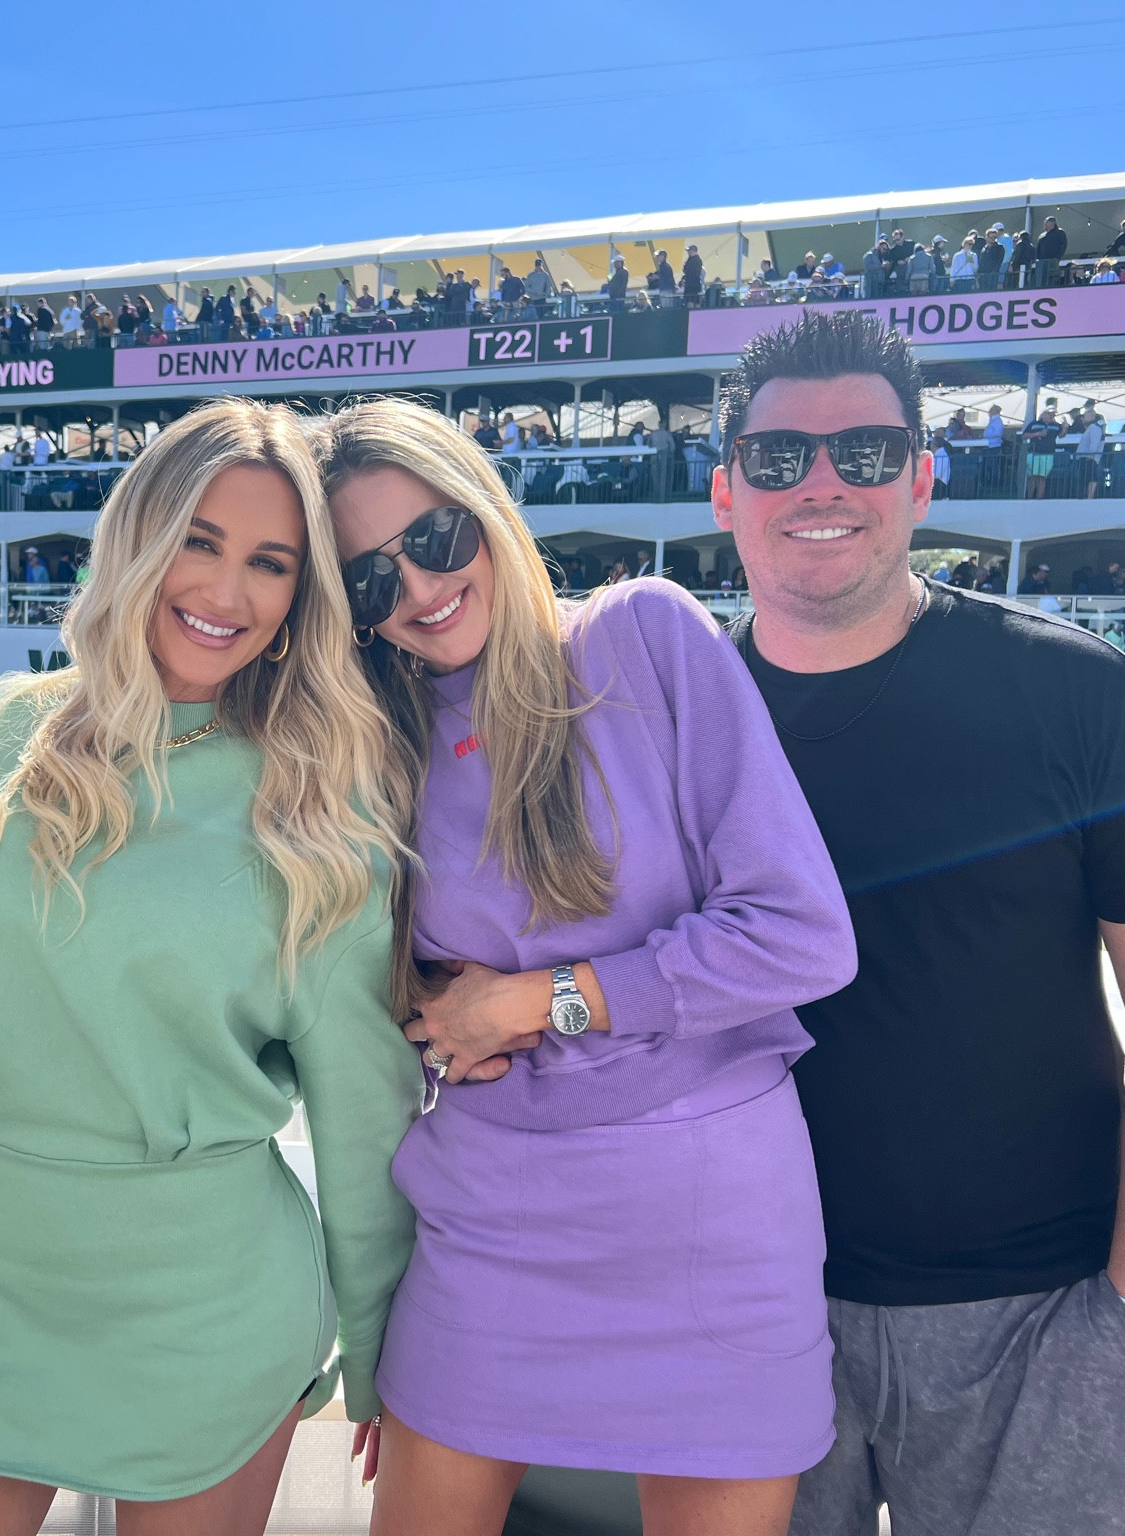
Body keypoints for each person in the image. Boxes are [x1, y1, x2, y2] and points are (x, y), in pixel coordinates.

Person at [709, 310, 1125, 1536]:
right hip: (741, 1315)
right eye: (781, 457)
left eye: (866, 449)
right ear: (726, 485)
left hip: (1036, 1319)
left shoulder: (1073, 689)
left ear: (920, 474)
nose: (823, 483)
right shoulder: (670, 714)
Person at [0, 399, 419, 1536]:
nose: (225, 594)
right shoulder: (3, 725)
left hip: (210, 1306)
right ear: (137, 536)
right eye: (198, 541)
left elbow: (366, 1115)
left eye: (270, 564)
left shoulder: (318, 803)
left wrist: (381, 1357)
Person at [318, 398, 857, 1536]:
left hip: (709, 1225)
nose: (416, 590)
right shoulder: (373, 735)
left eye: (432, 539)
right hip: (485, 1222)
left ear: (483, 510)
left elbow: (800, 933)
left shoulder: (641, 638)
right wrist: (430, 1004)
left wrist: (538, 998)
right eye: (370, 578)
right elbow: (367, 970)